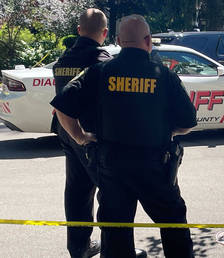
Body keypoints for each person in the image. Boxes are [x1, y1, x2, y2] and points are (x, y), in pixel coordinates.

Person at [50, 14, 197, 258]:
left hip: (112, 168)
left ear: (118, 40)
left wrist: (80, 137)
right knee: (174, 228)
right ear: (148, 40)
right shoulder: (164, 74)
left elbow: (62, 106)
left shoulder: (99, 71)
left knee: (115, 236)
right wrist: (167, 130)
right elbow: (188, 123)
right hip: (156, 169)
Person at [52, 8, 110, 257]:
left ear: (78, 30)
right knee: (110, 192)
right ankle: (113, 248)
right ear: (104, 33)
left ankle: (79, 247)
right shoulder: (101, 61)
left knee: (76, 192)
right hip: (90, 136)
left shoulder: (64, 59)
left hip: (67, 132)